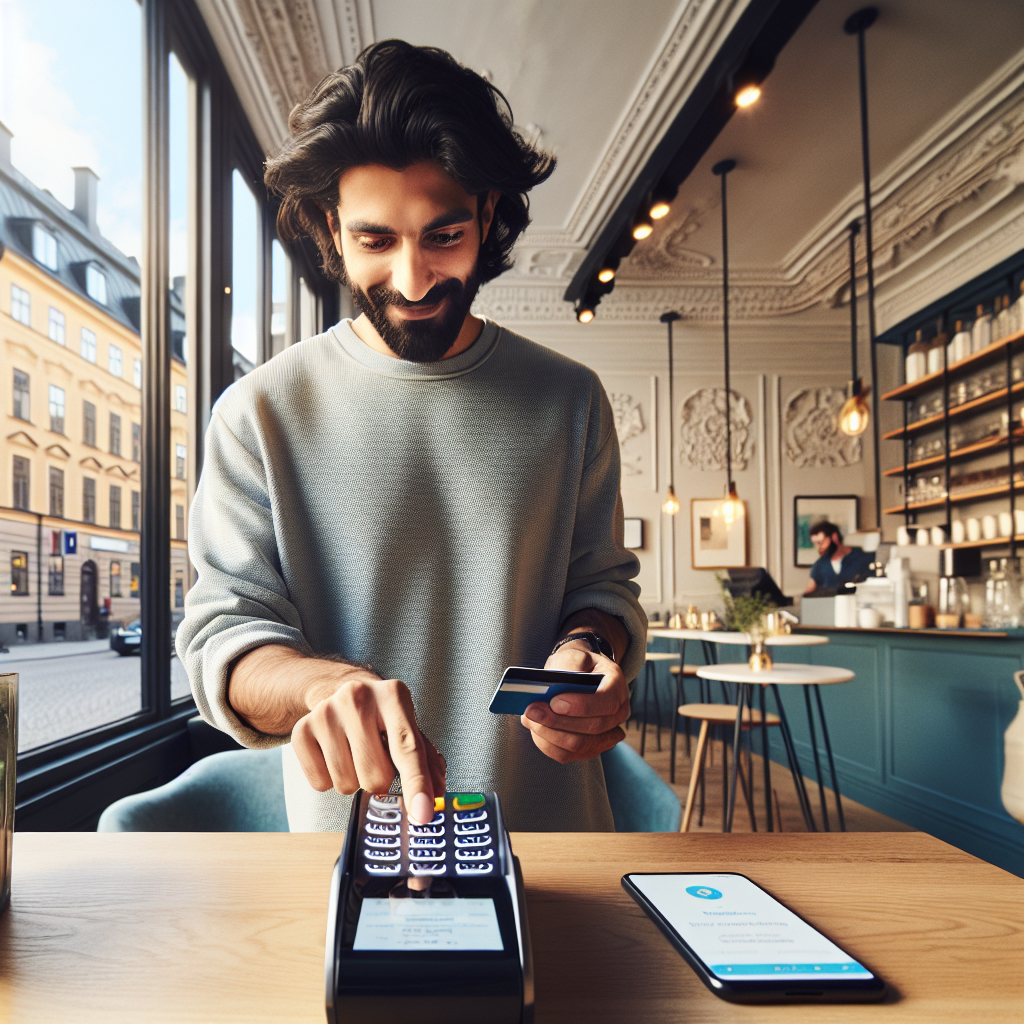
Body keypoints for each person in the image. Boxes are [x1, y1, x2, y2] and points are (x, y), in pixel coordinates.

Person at [176, 40, 646, 833]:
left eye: (443, 235)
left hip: (557, 845)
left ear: (488, 213)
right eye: (375, 241)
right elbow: (225, 637)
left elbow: (600, 592)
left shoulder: (570, 400)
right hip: (349, 854)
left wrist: (586, 650)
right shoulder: (257, 412)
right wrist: (320, 688)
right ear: (332, 226)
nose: (412, 279)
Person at [803, 521, 873, 595]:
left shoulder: (863, 557)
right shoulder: (819, 565)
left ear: (834, 537)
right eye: (815, 544)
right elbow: (809, 592)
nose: (818, 548)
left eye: (820, 543)